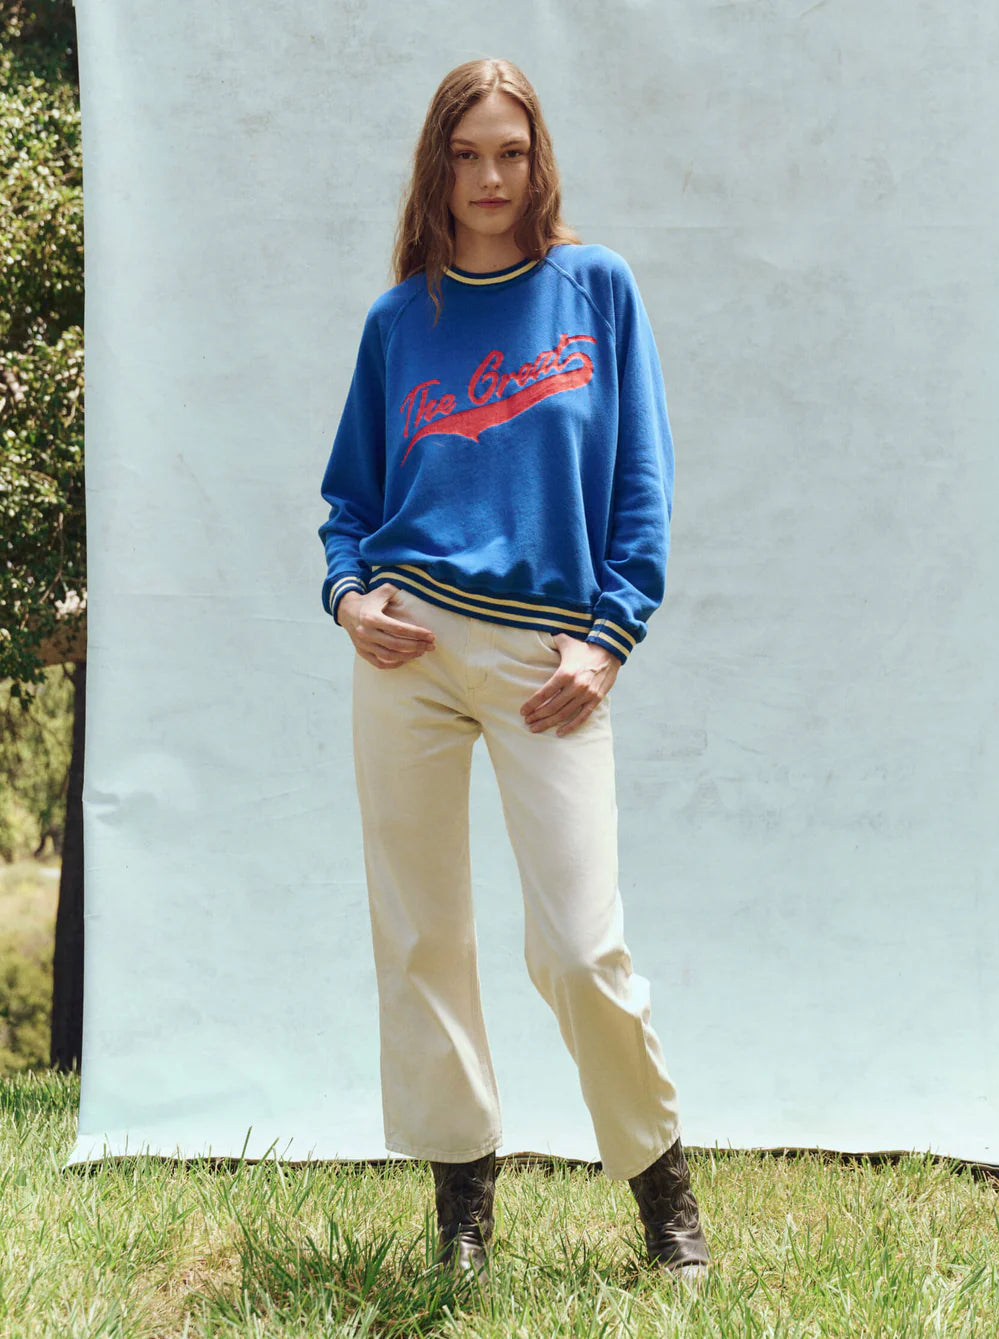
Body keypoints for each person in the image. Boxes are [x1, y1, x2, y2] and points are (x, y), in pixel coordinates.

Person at [318, 56, 710, 1286]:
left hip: (550, 658)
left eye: (512, 153)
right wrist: (348, 598)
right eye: (467, 154)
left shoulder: (598, 291)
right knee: (423, 934)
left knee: (580, 946)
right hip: (410, 649)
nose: (490, 178)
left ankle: (664, 1199)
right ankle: (463, 1211)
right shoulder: (402, 320)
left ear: (540, 162)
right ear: (438, 167)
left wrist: (610, 637)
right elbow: (347, 504)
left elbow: (639, 494)